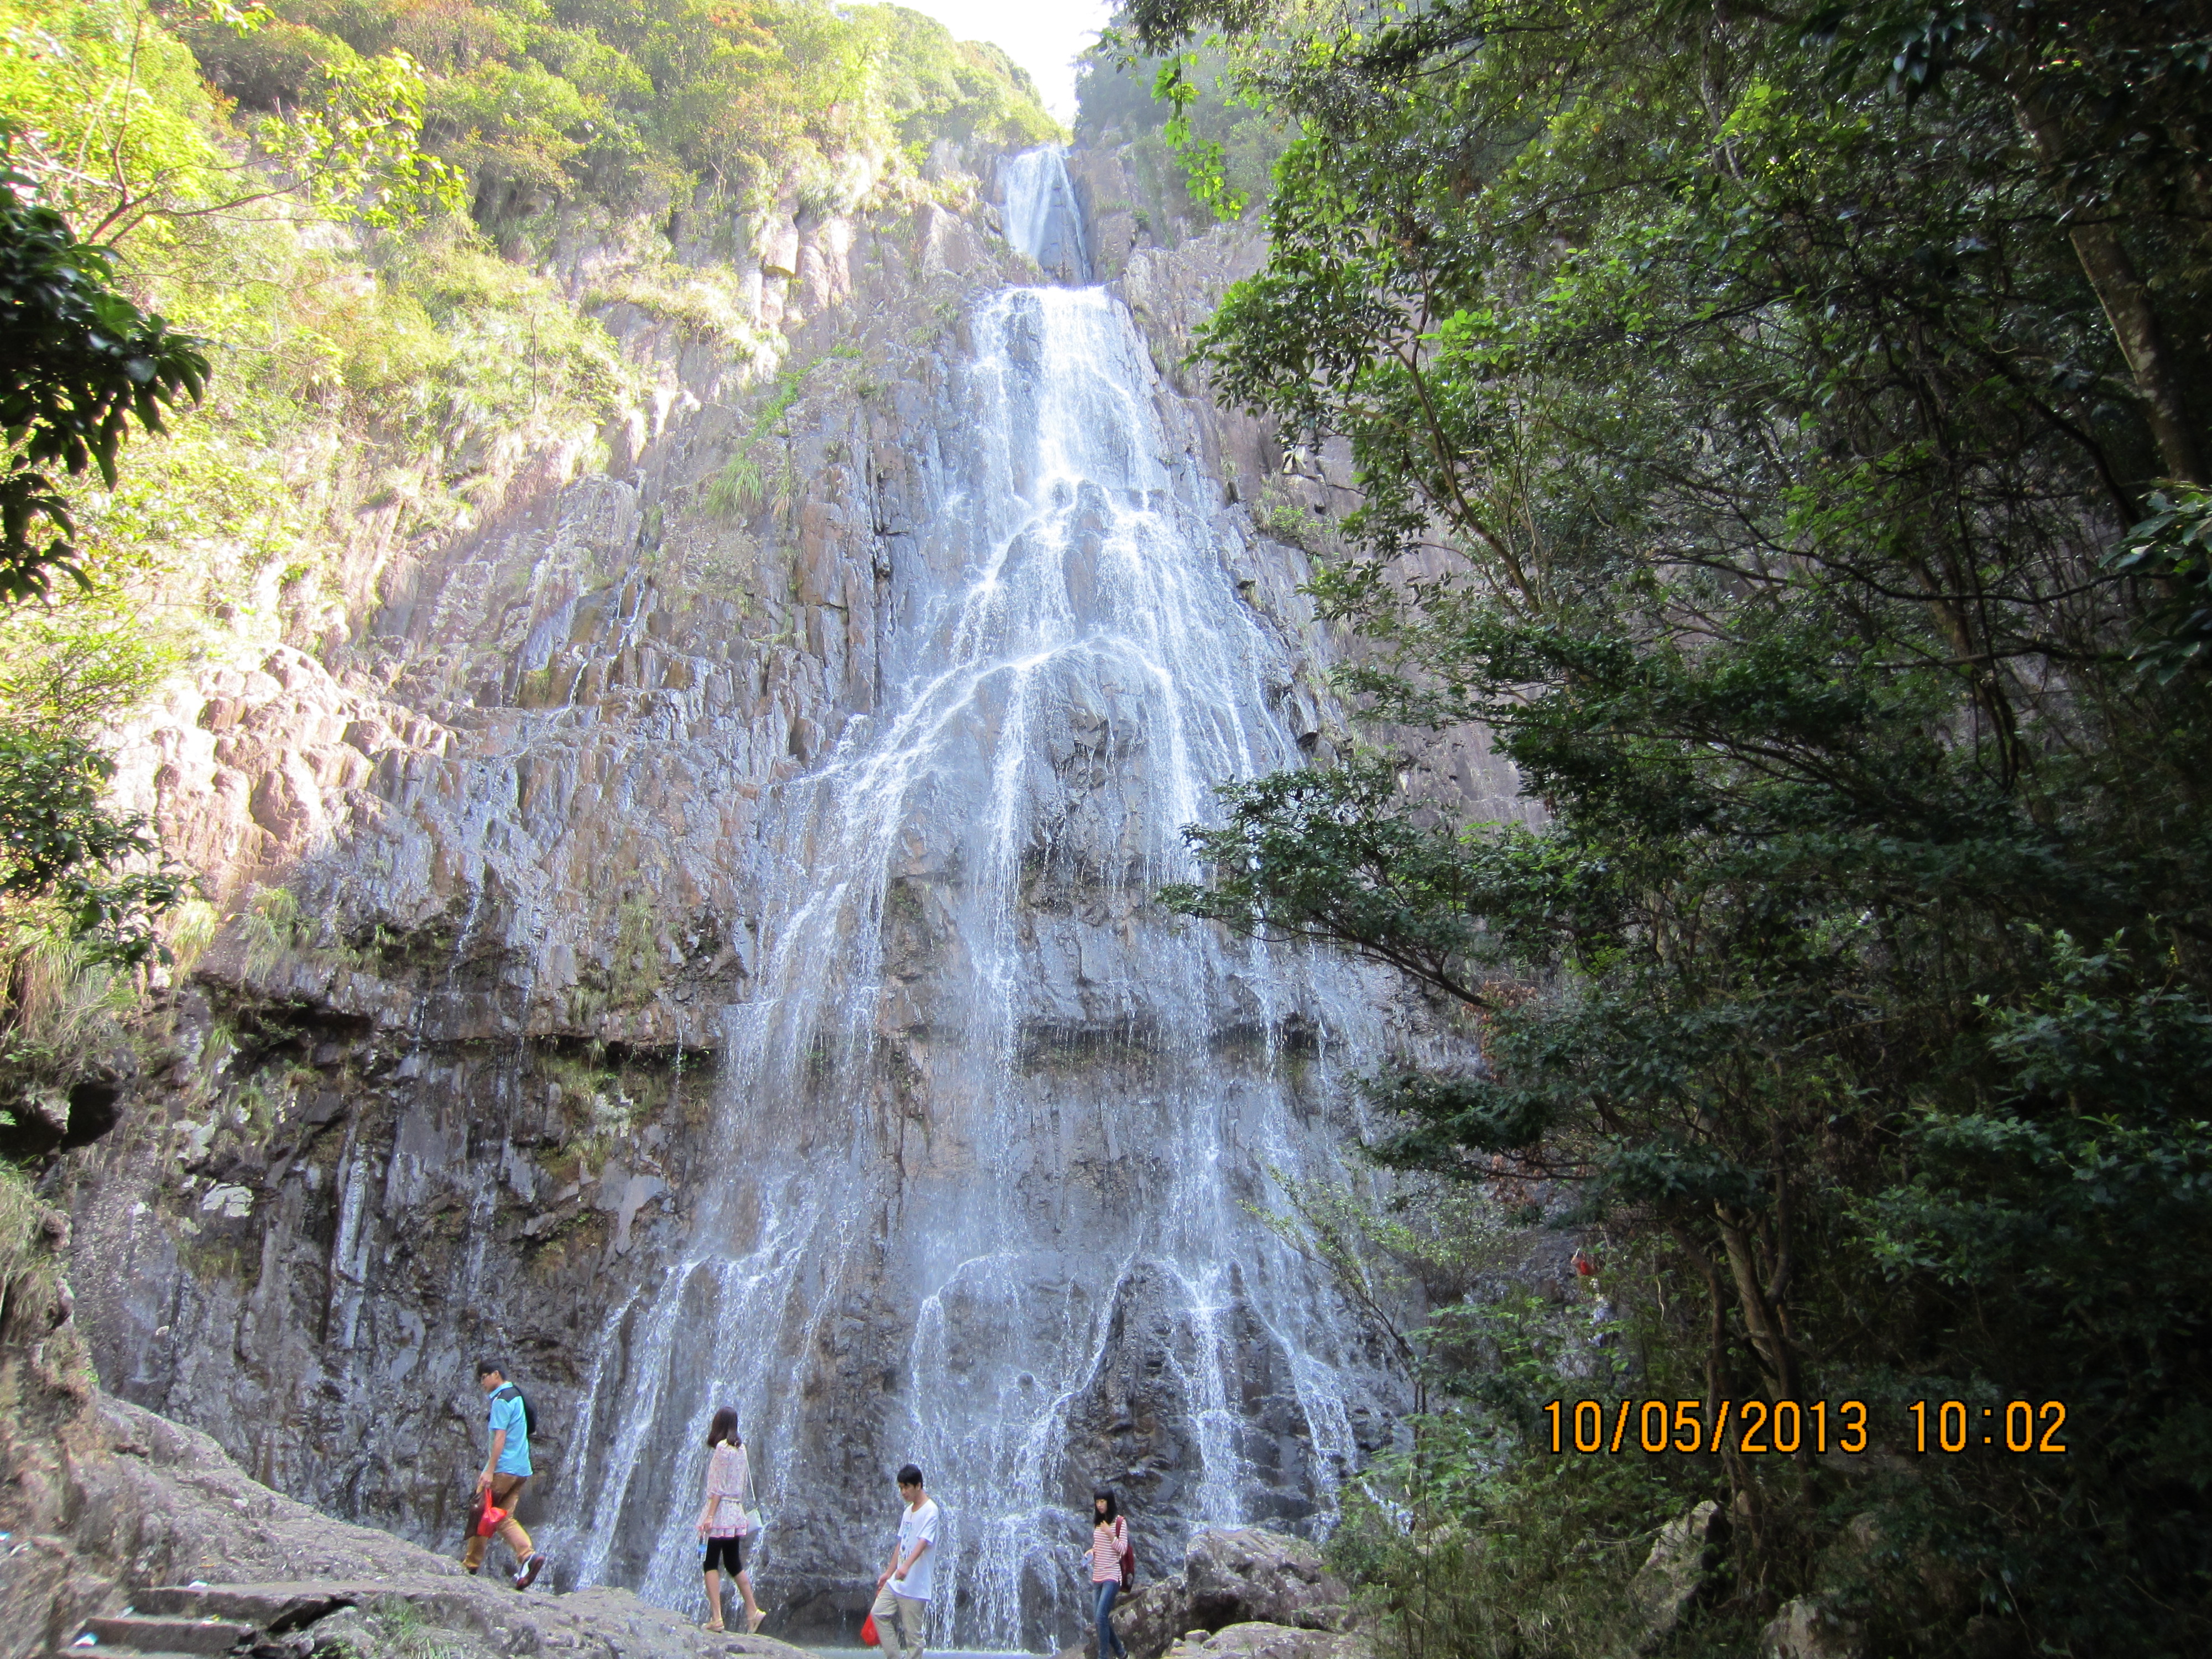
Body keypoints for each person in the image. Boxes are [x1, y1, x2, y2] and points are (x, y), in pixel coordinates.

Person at [466, 1361, 548, 1589]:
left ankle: (471, 1564)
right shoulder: (518, 1396)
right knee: (503, 1518)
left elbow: (500, 1437)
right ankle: (528, 1556)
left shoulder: (501, 1401)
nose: (482, 1383)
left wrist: (489, 1471)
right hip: (521, 1469)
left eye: (484, 1377)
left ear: (496, 1375)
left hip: (503, 1469)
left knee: (482, 1511)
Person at [697, 1407, 766, 1633]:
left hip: (719, 1514)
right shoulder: (741, 1449)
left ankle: (717, 1618)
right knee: (733, 1563)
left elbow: (717, 1487)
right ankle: (753, 1610)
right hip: (735, 1511)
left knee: (710, 1563)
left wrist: (709, 1516)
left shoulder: (721, 1449)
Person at [869, 1463, 939, 1659]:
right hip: (897, 1581)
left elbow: (923, 1542)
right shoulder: (908, 1512)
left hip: (916, 1584)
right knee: (878, 1613)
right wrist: (890, 1572)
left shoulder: (931, 1511)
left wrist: (906, 1567)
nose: (903, 1492)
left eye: (906, 1487)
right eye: (901, 1488)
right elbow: (901, 1543)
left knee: (913, 1638)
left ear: (918, 1486)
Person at [1083, 1490, 1130, 1659]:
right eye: (1097, 1502)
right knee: (1099, 1619)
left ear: (1109, 1502)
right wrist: (1092, 1551)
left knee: (1102, 1616)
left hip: (1112, 1575)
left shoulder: (1119, 1522)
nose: (1100, 1505)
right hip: (1098, 1576)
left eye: (1103, 1501)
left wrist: (1110, 1534)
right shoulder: (1098, 1523)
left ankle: (1103, 1657)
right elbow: (1100, 1546)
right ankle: (1121, 1653)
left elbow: (1123, 1549)